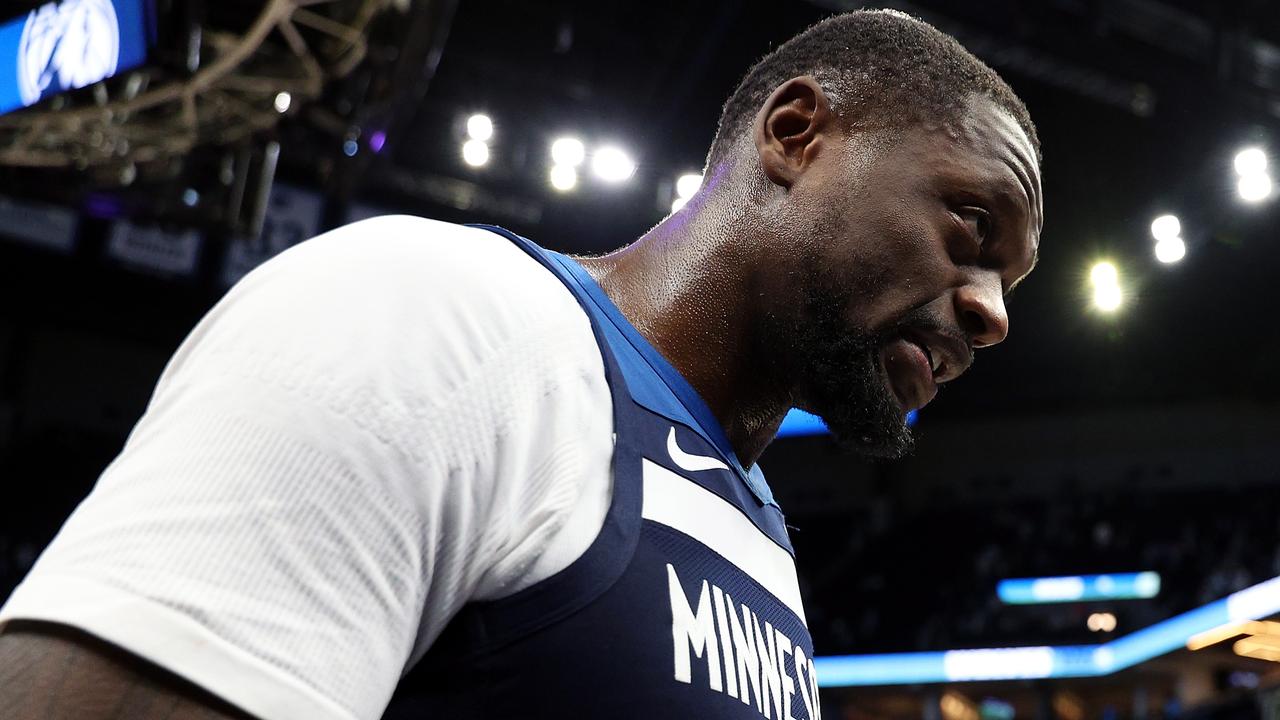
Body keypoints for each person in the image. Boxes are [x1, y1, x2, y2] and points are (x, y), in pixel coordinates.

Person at [0, 9, 1041, 720]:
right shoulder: (434, 315)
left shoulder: (755, 525)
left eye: (1012, 282)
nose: (990, 315)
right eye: (969, 223)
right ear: (795, 133)